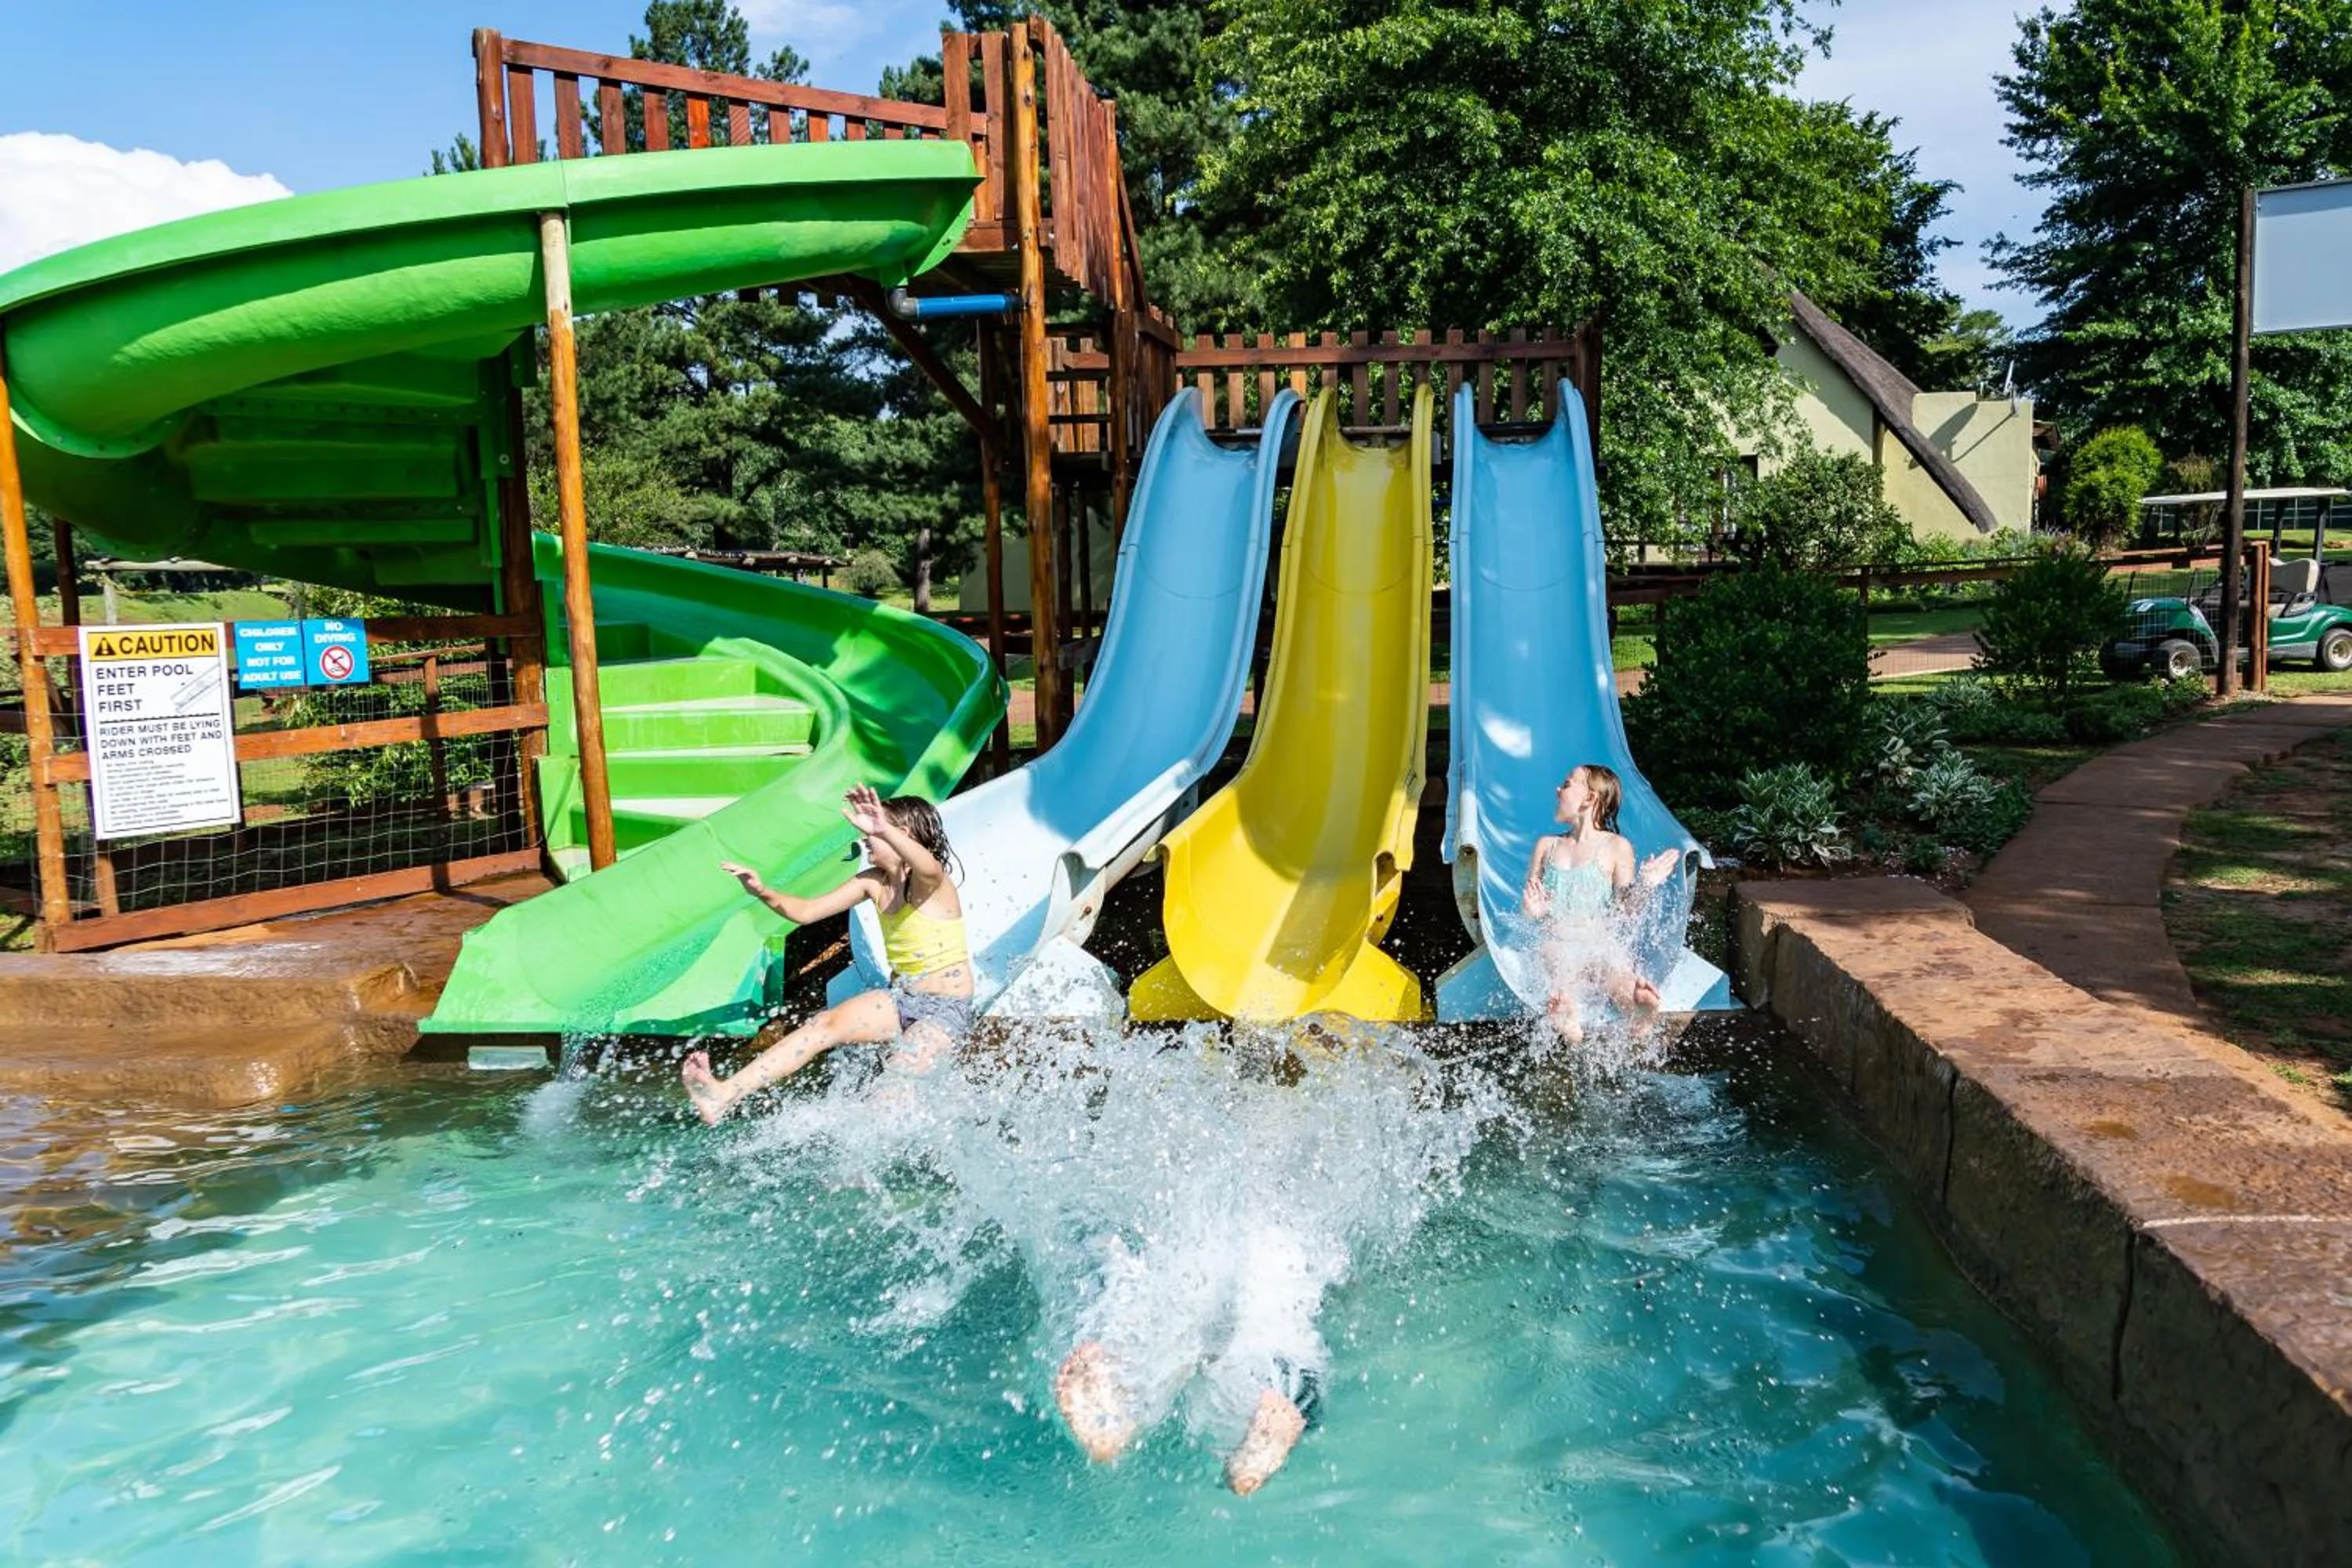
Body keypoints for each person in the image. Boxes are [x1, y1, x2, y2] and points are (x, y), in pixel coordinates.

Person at [681, 784, 972, 1123]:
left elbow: (929, 867)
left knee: (896, 1077)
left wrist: (884, 829)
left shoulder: (929, 883)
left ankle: (877, 1148)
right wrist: (763, 892)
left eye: (872, 831)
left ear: (901, 834)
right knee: (823, 1025)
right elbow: (807, 912)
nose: (865, 837)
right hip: (900, 1000)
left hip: (944, 1008)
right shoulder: (873, 882)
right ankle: (723, 1095)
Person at [1052, 1221, 1336, 1496]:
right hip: (1265, 1249)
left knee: (1120, 1278)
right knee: (1282, 1328)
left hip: (1168, 1257)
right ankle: (1263, 1435)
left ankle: (1114, 1412)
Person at [1519, 762, 1679, 1045]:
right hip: (1559, 941)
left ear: (1589, 798)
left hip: (1599, 941)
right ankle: (1569, 1019)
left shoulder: (1616, 847)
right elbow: (1529, 908)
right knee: (1557, 962)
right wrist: (1534, 912)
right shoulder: (1546, 846)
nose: (1557, 790)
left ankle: (1638, 1010)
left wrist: (1645, 885)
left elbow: (1625, 911)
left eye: (1567, 784)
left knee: (1618, 974)